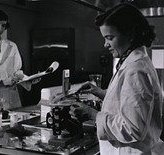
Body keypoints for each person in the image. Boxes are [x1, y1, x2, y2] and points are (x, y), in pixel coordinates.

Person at [69, 3, 163, 155]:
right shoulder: (133, 61)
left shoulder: (135, 70)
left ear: (130, 35)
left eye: (110, 38)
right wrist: (99, 92)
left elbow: (133, 128)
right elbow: (129, 102)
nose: (105, 44)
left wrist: (93, 115)